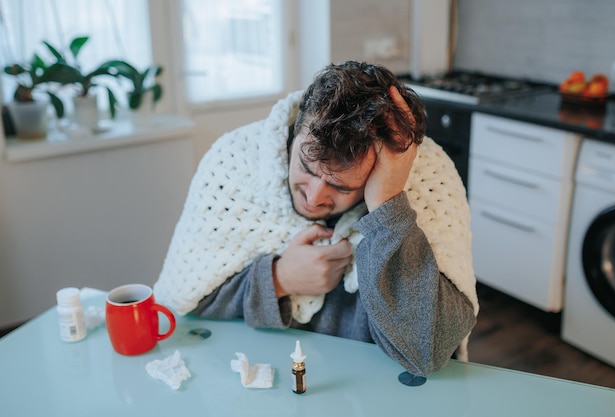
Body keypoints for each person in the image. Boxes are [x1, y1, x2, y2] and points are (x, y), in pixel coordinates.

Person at [154, 61, 478, 377]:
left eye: (341, 186)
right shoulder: (235, 162)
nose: (313, 197)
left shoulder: (428, 177)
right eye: (306, 169)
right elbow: (185, 301)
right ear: (295, 133)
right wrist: (279, 279)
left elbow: (428, 351)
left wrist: (387, 205)